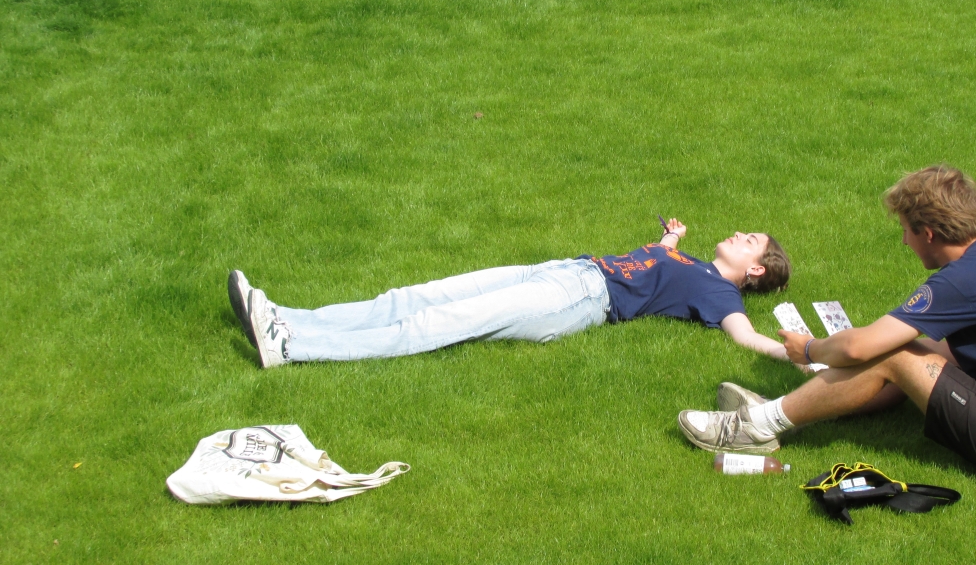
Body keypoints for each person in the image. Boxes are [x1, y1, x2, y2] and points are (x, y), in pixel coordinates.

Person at [677, 165, 976, 484]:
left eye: (907, 231)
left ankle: (756, 426)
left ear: (929, 234)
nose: (905, 241)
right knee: (903, 352)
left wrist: (809, 350)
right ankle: (796, 407)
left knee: (894, 355)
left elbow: (860, 348)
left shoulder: (965, 279)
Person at [229, 219, 792, 368]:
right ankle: (286, 315)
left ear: (755, 270)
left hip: (577, 301)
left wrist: (799, 352)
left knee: (439, 323)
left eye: (750, 240)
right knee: (411, 297)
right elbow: (661, 264)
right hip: (563, 270)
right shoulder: (694, 264)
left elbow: (743, 336)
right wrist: (671, 239)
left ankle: (292, 347)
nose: (739, 234)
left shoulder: (722, 296)